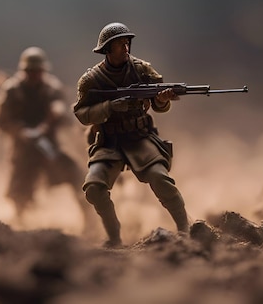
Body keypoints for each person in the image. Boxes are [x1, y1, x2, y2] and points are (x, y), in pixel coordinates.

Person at [73, 22, 189, 248]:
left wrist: (162, 100)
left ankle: (186, 231)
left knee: (161, 179)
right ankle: (114, 236)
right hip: (110, 140)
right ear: (107, 49)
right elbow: (81, 113)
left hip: (139, 137)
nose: (126, 49)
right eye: (120, 45)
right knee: (94, 188)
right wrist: (109, 108)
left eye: (127, 44)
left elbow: (160, 105)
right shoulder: (91, 80)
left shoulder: (143, 70)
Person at [0, 46, 97, 232]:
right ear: (24, 72)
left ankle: (90, 220)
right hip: (23, 149)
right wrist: (21, 131)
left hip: (48, 146)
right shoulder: (12, 91)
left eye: (38, 72)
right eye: (31, 72)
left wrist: (58, 112)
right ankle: (21, 226)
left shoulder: (51, 88)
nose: (35, 75)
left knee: (76, 176)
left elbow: (66, 115)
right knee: (19, 191)